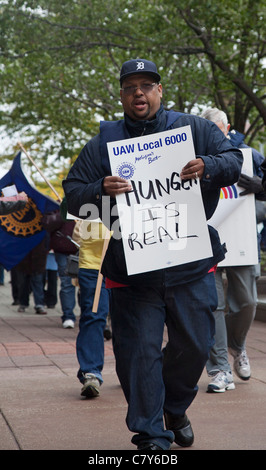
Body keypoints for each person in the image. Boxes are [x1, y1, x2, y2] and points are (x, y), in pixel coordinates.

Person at [63, 59, 243, 451]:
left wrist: (207, 165)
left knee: (196, 345)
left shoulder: (193, 128)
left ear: (160, 91)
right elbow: (72, 193)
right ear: (122, 95)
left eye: (146, 86)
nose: (138, 93)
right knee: (138, 353)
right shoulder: (103, 143)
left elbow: (234, 161)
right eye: (130, 87)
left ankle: (175, 408)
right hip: (133, 271)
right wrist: (99, 189)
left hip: (189, 264)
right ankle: (151, 436)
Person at [201, 107, 265, 392]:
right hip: (206, 243)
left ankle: (236, 346)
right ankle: (219, 369)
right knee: (213, 304)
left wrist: (260, 188)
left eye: (218, 130)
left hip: (243, 241)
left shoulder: (251, 157)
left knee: (247, 301)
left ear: (228, 129)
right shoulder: (193, 158)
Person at [71, 219, 110, 398]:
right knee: (94, 316)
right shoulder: (88, 191)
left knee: (131, 320)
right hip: (94, 264)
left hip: (131, 262)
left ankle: (133, 371)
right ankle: (91, 372)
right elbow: (77, 233)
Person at [16, 237, 48, 315]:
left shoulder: (42, 228)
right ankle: (23, 303)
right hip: (24, 258)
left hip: (38, 258)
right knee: (23, 283)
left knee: (38, 282)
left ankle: (39, 304)